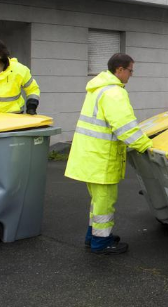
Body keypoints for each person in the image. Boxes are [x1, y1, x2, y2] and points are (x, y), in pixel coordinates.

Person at [65, 53, 152, 255]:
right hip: (101, 158)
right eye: (130, 70)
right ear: (119, 70)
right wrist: (145, 146)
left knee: (98, 201)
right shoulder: (114, 93)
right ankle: (100, 243)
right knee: (104, 202)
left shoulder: (98, 89)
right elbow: (125, 127)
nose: (131, 75)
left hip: (91, 155)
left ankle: (93, 237)